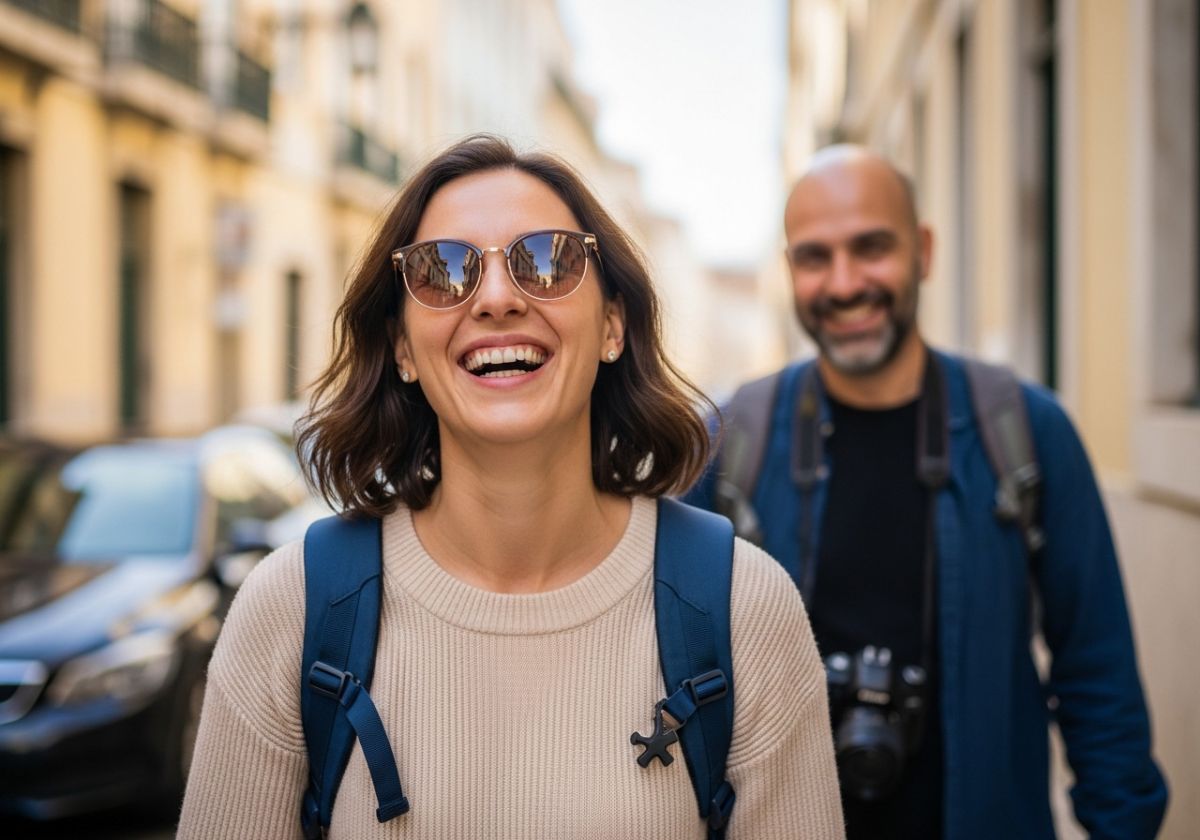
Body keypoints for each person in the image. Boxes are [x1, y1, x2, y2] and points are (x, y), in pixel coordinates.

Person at [177, 135, 844, 839]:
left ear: (613, 325)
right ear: (403, 347)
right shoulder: (289, 611)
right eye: (443, 271)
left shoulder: (746, 612)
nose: (496, 298)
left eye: (547, 261)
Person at [684, 144, 1168, 839]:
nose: (845, 283)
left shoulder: (1027, 431)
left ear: (925, 251)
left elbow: (1098, 674)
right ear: (791, 271)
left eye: (871, 247)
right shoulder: (728, 445)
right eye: (815, 257)